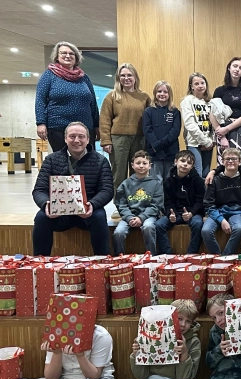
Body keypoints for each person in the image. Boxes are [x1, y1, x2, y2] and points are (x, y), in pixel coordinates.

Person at [98, 299, 203, 379]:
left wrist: (184, 355)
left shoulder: (193, 342)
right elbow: (141, 376)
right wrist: (136, 355)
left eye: (188, 321)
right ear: (171, 319)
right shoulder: (151, 334)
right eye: (180, 319)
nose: (183, 324)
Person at [31, 121, 113, 256]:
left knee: (99, 216)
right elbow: (39, 189)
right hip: (59, 214)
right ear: (65, 139)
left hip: (87, 213)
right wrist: (47, 204)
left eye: (81, 136)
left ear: (88, 139)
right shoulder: (51, 160)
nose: (76, 140)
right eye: (72, 136)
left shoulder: (101, 161)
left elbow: (107, 189)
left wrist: (92, 204)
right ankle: (40, 263)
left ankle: (102, 262)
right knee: (41, 217)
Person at [35, 41, 100, 150]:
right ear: (57, 56)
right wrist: (41, 123)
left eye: (71, 53)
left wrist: (97, 126)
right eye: (63, 53)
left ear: (76, 57)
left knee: (88, 162)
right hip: (58, 128)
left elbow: (93, 103)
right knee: (63, 163)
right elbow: (40, 101)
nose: (68, 56)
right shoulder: (49, 75)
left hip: (85, 128)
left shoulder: (84, 77)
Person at [100, 62, 152, 191]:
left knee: (139, 172)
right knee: (118, 173)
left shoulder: (144, 97)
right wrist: (106, 141)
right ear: (118, 78)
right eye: (122, 75)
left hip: (139, 138)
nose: (126, 78)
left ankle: (137, 201)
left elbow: (150, 119)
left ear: (135, 77)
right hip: (118, 139)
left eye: (129, 75)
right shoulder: (112, 96)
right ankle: (120, 203)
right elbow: (104, 119)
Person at [113, 150, 164, 255]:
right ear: (132, 165)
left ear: (150, 166)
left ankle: (152, 256)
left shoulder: (156, 184)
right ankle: (120, 258)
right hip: (129, 216)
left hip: (148, 216)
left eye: (144, 163)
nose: (141, 166)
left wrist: (142, 218)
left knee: (148, 227)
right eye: (138, 163)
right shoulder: (125, 184)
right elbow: (121, 204)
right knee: (118, 232)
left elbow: (156, 205)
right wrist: (129, 217)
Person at [156, 150, 205, 255]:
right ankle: (168, 255)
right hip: (175, 213)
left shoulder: (198, 181)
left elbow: (200, 202)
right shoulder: (168, 181)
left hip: (193, 213)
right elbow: (167, 202)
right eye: (182, 161)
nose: (185, 164)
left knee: (197, 223)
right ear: (175, 162)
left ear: (192, 166)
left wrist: (191, 213)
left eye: (189, 163)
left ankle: (191, 254)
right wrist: (170, 214)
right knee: (159, 224)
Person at [202, 148, 241, 255]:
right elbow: (208, 204)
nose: (231, 161)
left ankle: (225, 257)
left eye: (234, 159)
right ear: (222, 162)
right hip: (218, 212)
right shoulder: (214, 180)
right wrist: (221, 220)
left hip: (238, 212)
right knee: (206, 231)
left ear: (240, 161)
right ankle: (217, 255)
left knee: (239, 228)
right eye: (227, 159)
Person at [211, 57, 241, 167]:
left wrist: (227, 129)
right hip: (222, 130)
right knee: (224, 164)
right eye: (235, 66)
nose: (237, 70)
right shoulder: (219, 90)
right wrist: (221, 135)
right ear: (229, 68)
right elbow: (212, 114)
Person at [143, 80, 181, 181]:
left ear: (170, 94)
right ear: (155, 93)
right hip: (154, 153)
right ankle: (158, 198)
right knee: (156, 180)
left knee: (170, 180)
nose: (162, 94)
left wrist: (160, 145)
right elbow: (147, 130)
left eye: (165, 92)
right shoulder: (148, 111)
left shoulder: (175, 111)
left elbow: (175, 131)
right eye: (159, 91)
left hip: (170, 152)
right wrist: (156, 146)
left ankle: (168, 198)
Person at [180, 72, 215, 177]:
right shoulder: (187, 101)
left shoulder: (210, 102)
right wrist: (204, 141)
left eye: (202, 83)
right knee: (197, 174)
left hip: (209, 143)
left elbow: (215, 123)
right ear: (191, 86)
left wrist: (211, 141)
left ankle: (205, 194)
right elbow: (189, 123)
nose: (200, 86)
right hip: (194, 143)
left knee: (206, 173)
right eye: (196, 84)